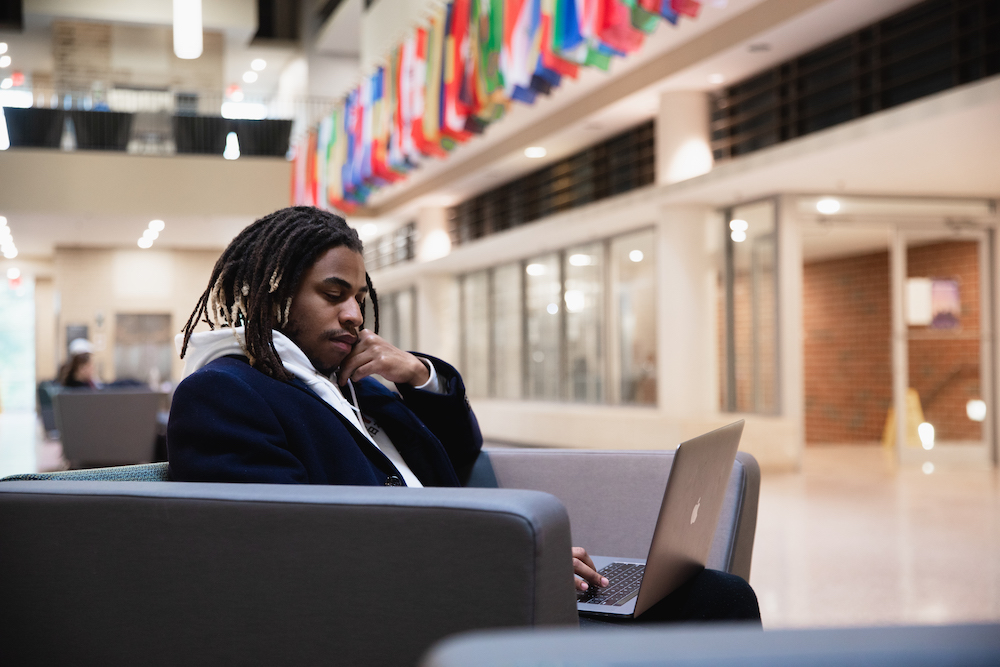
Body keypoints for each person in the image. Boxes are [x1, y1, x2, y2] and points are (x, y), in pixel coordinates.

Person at [167, 206, 759, 624]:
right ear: (273, 295)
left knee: (715, 593)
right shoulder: (226, 394)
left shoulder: (357, 388)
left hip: (473, 581)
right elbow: (292, 556)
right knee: (719, 606)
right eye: (332, 293)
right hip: (420, 610)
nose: (353, 314)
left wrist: (417, 374)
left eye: (358, 297)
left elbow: (461, 451)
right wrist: (506, 561)